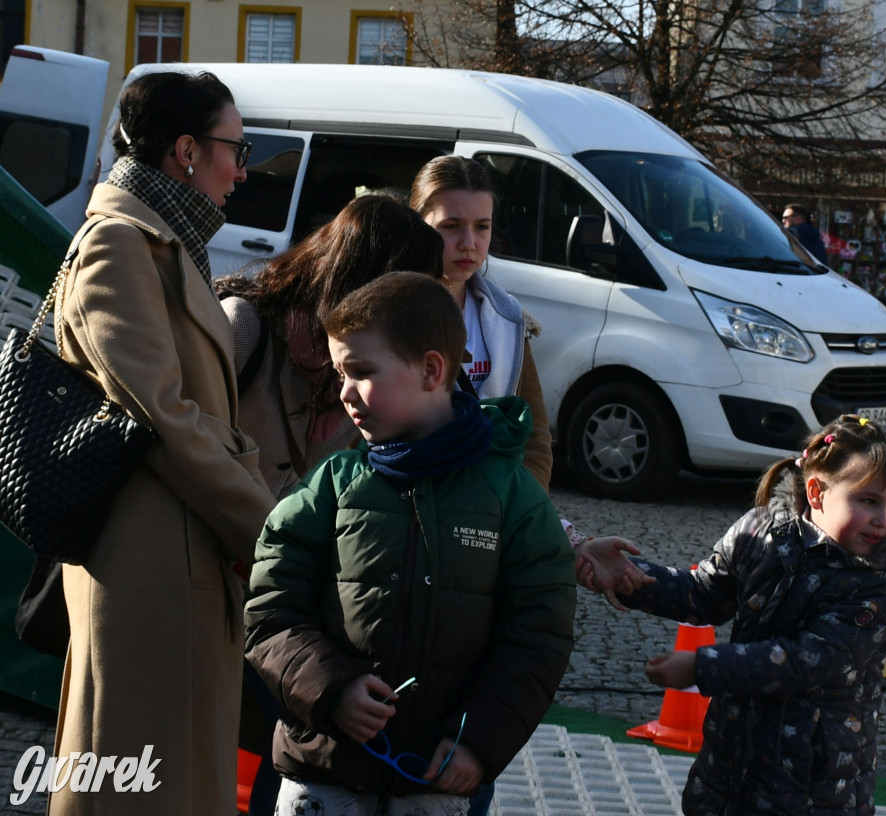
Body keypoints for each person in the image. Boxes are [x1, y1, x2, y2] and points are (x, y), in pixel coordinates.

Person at [243, 272, 577, 816]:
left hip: (433, 785)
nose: (344, 392)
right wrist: (331, 689)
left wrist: (478, 740)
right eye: (340, 373)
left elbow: (538, 638)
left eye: (362, 372)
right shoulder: (330, 486)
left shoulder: (512, 499)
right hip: (322, 778)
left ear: (430, 370)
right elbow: (269, 610)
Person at [50, 70, 276, 815]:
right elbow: (164, 418)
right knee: (136, 779)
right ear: (185, 150)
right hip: (147, 567)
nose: (242, 172)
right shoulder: (122, 243)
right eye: (234, 151)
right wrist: (265, 529)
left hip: (182, 554)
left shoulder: (167, 238)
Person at [576, 414, 886, 816]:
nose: (884, 520)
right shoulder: (761, 531)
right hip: (731, 761)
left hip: (815, 785)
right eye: (868, 500)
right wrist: (632, 577)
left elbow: (807, 660)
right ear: (816, 492)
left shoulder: (884, 578)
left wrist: (702, 666)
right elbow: (704, 594)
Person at [217, 193, 444, 497]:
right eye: (408, 295)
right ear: (364, 282)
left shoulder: (372, 378)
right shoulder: (244, 328)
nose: (416, 311)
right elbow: (185, 446)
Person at [409, 155, 552, 491]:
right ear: (418, 224)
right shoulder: (387, 315)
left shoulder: (510, 319)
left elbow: (535, 435)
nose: (469, 243)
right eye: (451, 226)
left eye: (482, 226)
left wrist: (518, 506)